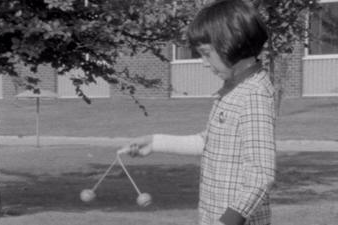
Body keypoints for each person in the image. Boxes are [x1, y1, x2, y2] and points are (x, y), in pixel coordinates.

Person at [118, 0, 275, 224]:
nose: (203, 63)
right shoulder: (235, 89)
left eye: (206, 53)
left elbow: (261, 175)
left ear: (232, 43)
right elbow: (209, 142)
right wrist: (155, 142)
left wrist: (227, 221)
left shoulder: (254, 95)